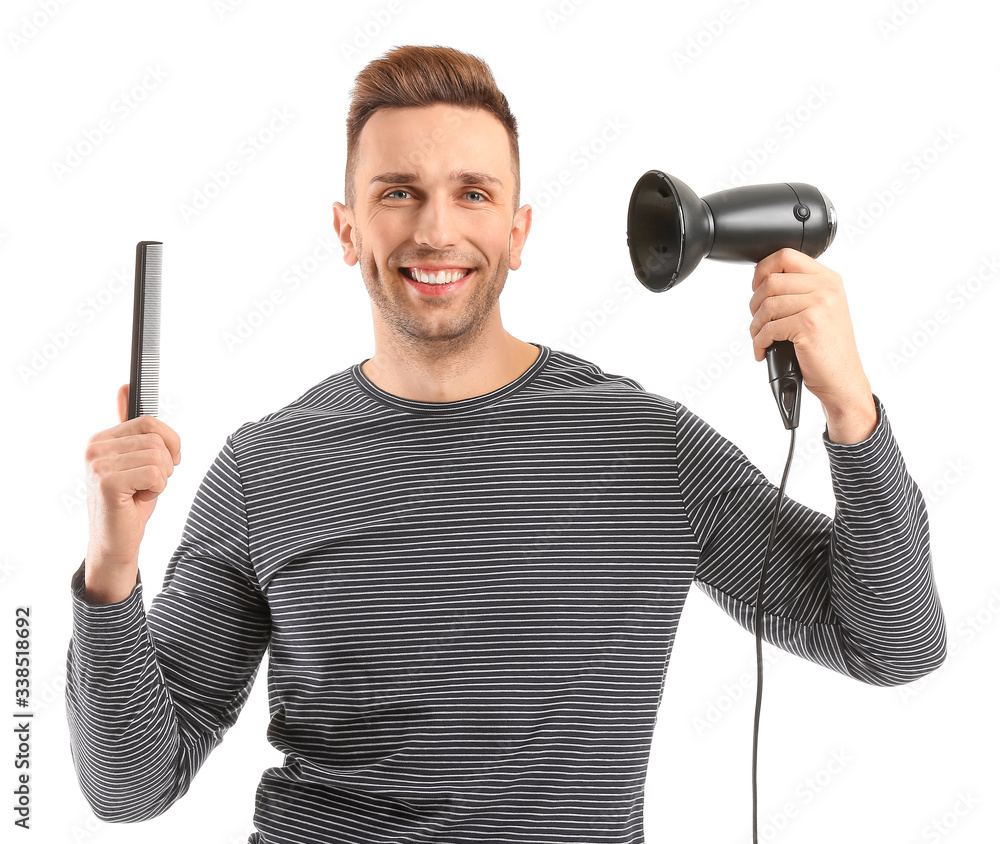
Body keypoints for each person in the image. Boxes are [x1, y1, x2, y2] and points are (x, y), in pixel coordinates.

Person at [66, 45, 946, 844]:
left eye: (473, 193)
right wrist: (111, 568)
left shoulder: (646, 447)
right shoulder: (268, 467)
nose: (436, 231)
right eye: (397, 191)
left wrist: (852, 414)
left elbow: (894, 643)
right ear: (346, 230)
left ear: (517, 234)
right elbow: (131, 788)